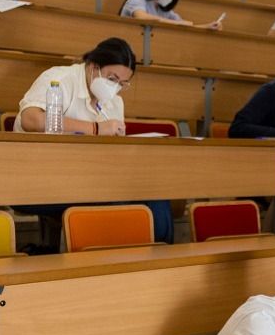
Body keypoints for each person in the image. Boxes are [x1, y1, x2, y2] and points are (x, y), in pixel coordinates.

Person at [14, 39, 172, 244]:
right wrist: (95, 129)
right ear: (93, 67)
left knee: (155, 190)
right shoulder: (60, 79)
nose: (115, 88)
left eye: (122, 84)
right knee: (115, 200)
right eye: (112, 79)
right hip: (39, 179)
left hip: (90, 178)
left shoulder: (114, 102)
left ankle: (161, 257)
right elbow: (31, 120)